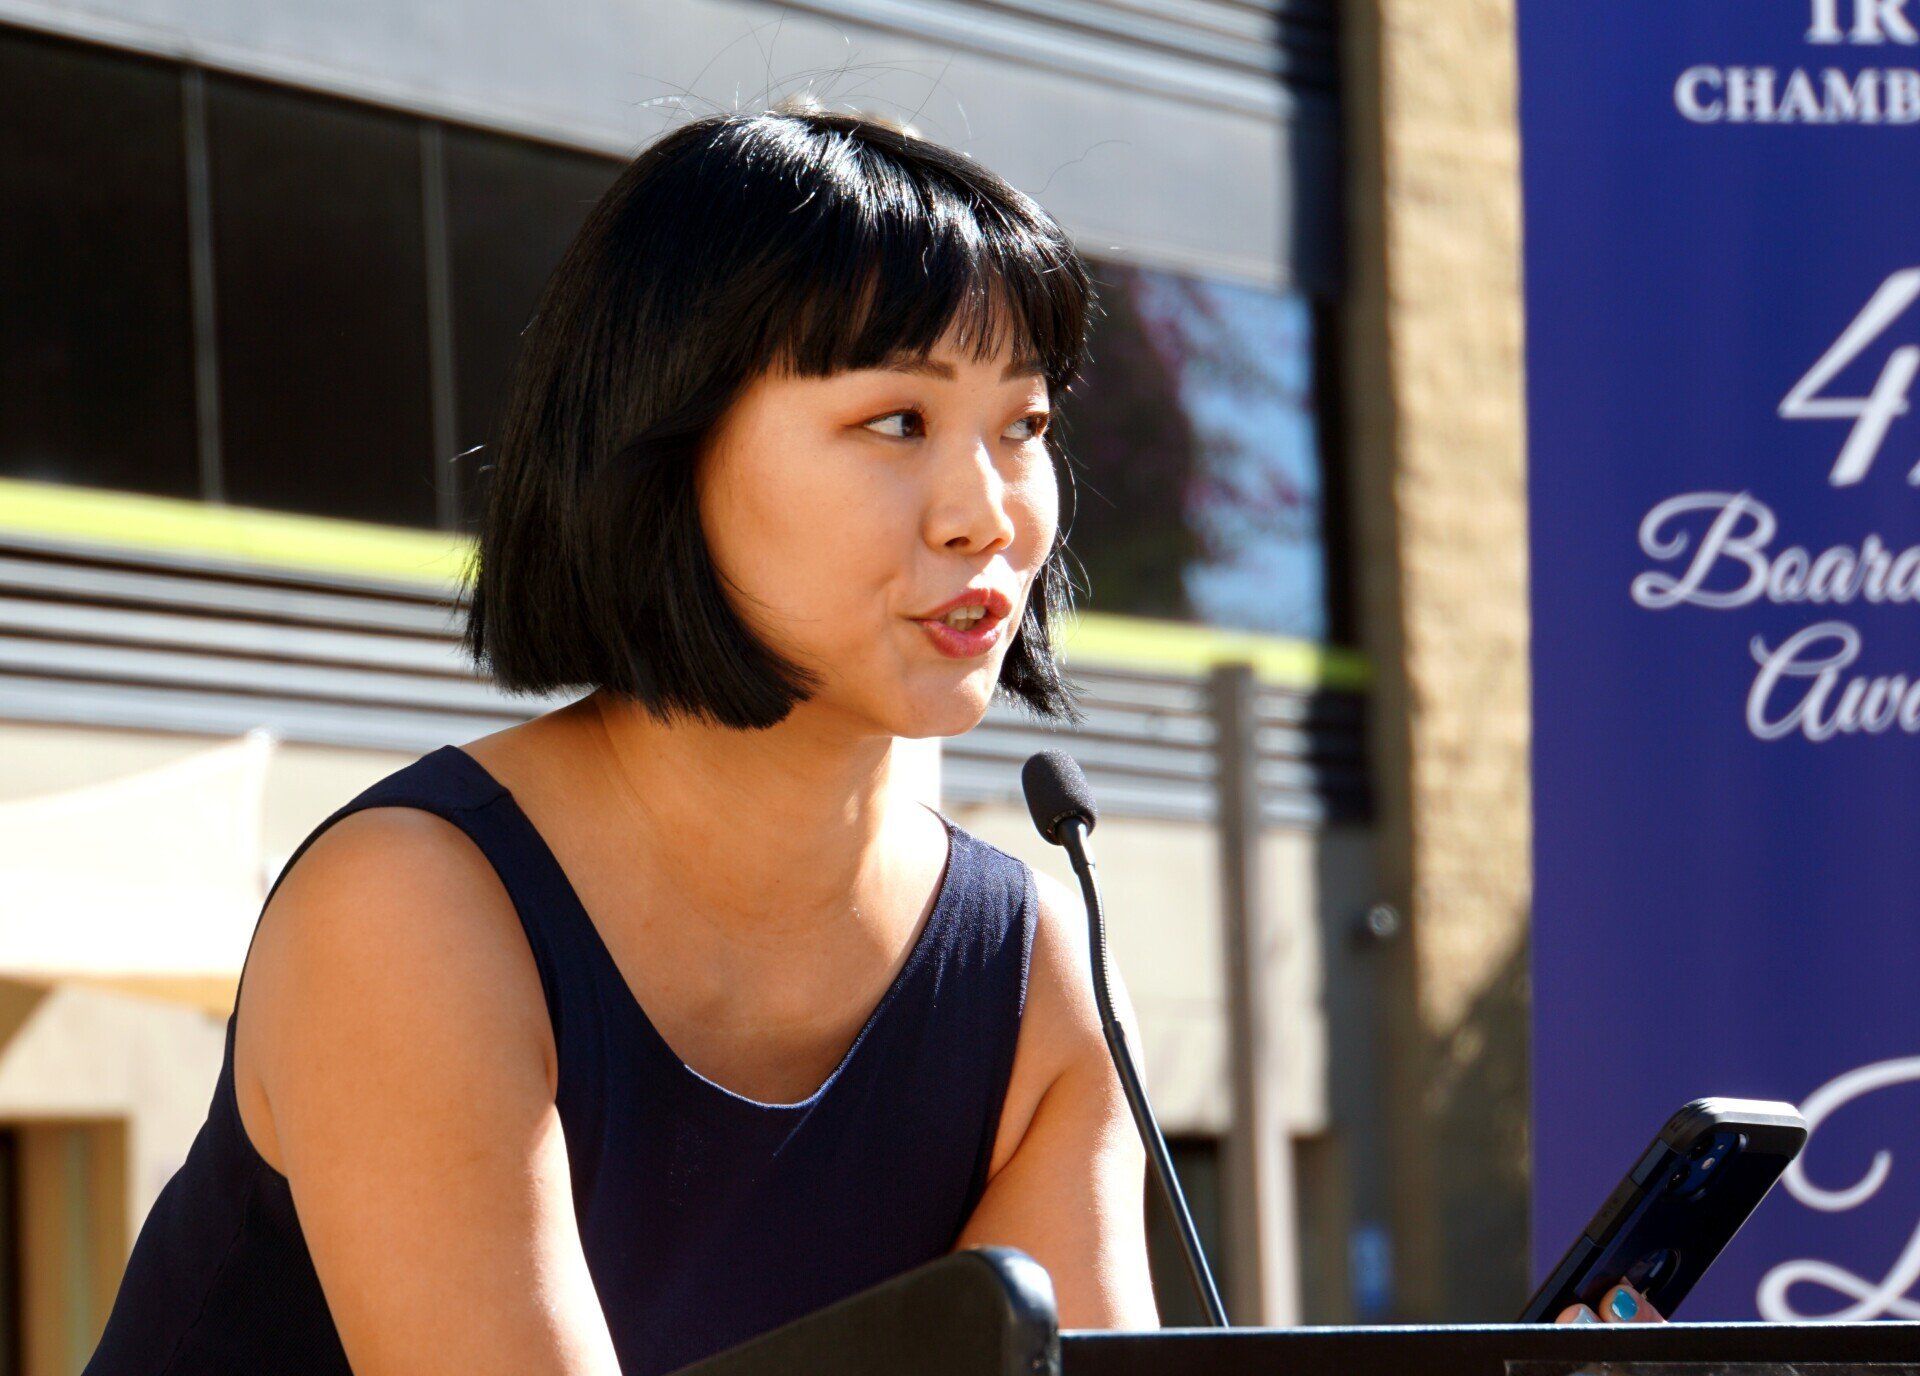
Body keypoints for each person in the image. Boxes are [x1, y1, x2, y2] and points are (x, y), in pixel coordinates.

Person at [82, 95, 1648, 1376]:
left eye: (1023, 425)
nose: (991, 512)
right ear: (664, 455)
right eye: (895, 421)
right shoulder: (414, 913)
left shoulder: (1029, 965)